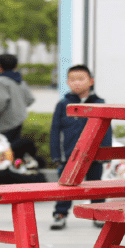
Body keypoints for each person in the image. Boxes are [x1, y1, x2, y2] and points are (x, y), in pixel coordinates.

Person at [49, 64, 111, 230]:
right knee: (65, 187)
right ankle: (60, 214)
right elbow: (55, 130)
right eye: (72, 79)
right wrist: (56, 155)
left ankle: (99, 214)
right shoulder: (63, 104)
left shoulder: (99, 103)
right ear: (67, 82)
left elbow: (106, 130)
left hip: (94, 155)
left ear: (91, 81)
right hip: (69, 155)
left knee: (96, 186)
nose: (76, 83)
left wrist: (105, 154)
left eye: (81, 79)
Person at [0, 54, 35, 143]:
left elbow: (1, 101)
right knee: (13, 148)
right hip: (19, 120)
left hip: (4, 123)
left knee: (1, 149)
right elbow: (30, 99)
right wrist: (17, 106)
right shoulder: (20, 80)